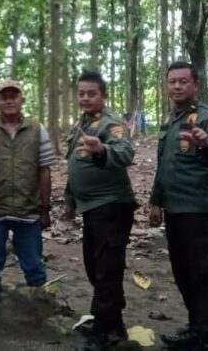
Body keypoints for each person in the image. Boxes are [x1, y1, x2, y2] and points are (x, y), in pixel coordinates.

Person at [149, 62, 208, 351]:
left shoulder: (207, 117)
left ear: (195, 85)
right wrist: (156, 201)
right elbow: (164, 165)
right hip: (174, 209)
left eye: (183, 81)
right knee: (182, 272)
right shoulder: (170, 120)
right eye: (172, 81)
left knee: (201, 273)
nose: (176, 86)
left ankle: (206, 338)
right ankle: (196, 327)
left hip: (197, 209)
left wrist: (206, 144)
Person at [0, 80, 56, 307]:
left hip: (28, 209)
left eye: (13, 96)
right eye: (4, 97)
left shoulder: (37, 129)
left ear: (21, 100)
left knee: (33, 264)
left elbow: (44, 170)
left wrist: (45, 208)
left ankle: (39, 308)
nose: (9, 101)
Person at [63, 71, 136, 351]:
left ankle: (104, 332)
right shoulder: (82, 124)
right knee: (95, 267)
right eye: (81, 93)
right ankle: (113, 324)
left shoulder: (111, 123)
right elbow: (75, 164)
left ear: (103, 95)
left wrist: (103, 149)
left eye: (91, 93)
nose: (85, 98)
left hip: (111, 207)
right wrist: (70, 200)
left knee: (106, 270)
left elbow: (125, 153)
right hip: (92, 208)